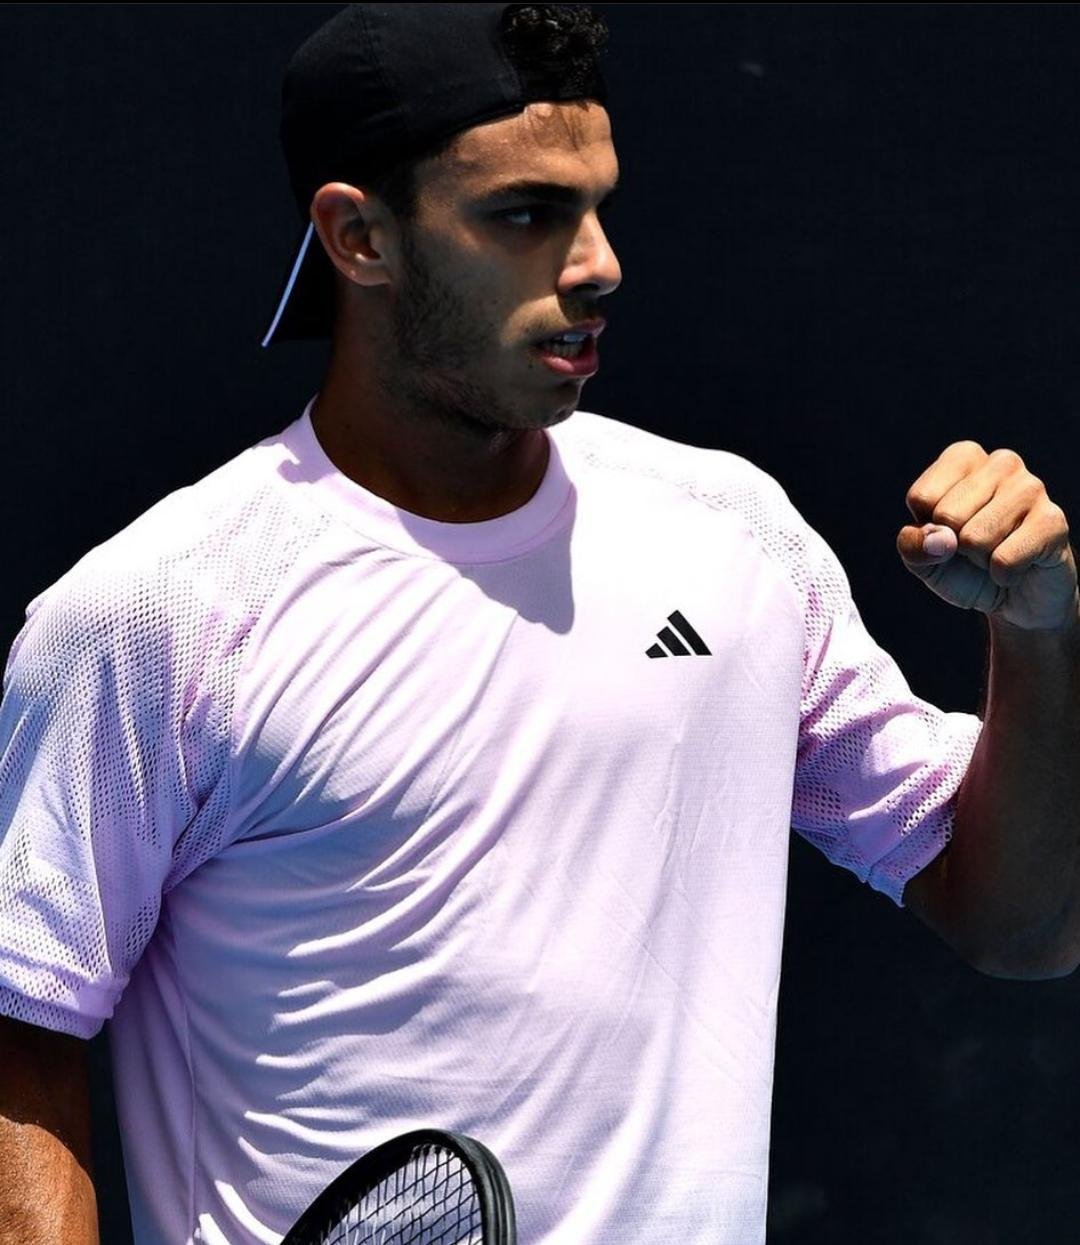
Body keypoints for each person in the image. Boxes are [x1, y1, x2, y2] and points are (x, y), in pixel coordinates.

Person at [1, 5, 1078, 1244]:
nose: (600, 261)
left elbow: (1022, 923)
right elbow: (22, 1032)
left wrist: (1042, 639)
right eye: (524, 216)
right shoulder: (156, 616)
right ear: (359, 236)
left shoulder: (736, 539)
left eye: (598, 204)